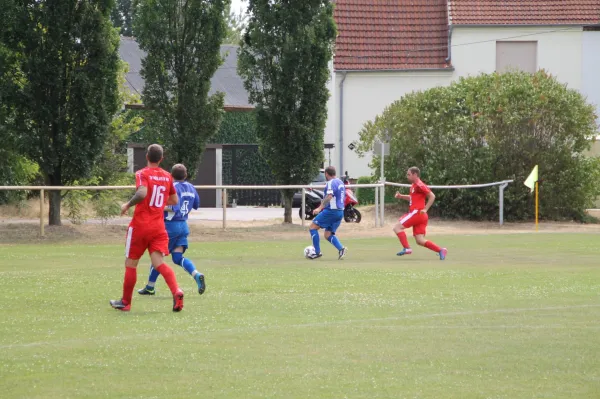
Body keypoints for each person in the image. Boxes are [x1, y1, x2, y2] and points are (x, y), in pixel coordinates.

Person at [109, 144, 185, 312]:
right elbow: (174, 200)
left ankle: (126, 302)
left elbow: (142, 193)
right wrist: (157, 203)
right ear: (161, 159)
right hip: (158, 227)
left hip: (141, 226)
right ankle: (177, 291)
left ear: (147, 157)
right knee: (159, 263)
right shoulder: (167, 176)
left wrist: (127, 204)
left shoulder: (142, 173)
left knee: (131, 263)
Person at [137, 163, 206, 296]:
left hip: (170, 226)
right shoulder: (191, 187)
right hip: (183, 225)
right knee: (177, 257)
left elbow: (174, 207)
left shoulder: (172, 187)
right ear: (185, 175)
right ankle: (196, 274)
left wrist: (157, 207)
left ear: (171, 175)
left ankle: (150, 287)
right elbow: (196, 204)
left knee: (157, 256)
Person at [393, 167, 447, 260]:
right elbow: (412, 198)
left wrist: (425, 209)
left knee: (397, 228)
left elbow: (432, 196)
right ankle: (440, 250)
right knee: (420, 240)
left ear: (415, 175)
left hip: (417, 213)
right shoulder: (414, 185)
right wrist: (401, 196)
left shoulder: (419, 184)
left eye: (409, 174)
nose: (407, 176)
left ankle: (407, 248)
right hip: (421, 216)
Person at [307, 166, 348, 260]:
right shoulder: (340, 182)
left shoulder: (330, 183)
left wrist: (319, 208)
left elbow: (329, 196)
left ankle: (317, 252)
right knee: (328, 234)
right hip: (340, 211)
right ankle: (341, 249)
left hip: (331, 211)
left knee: (312, 228)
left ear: (326, 174)